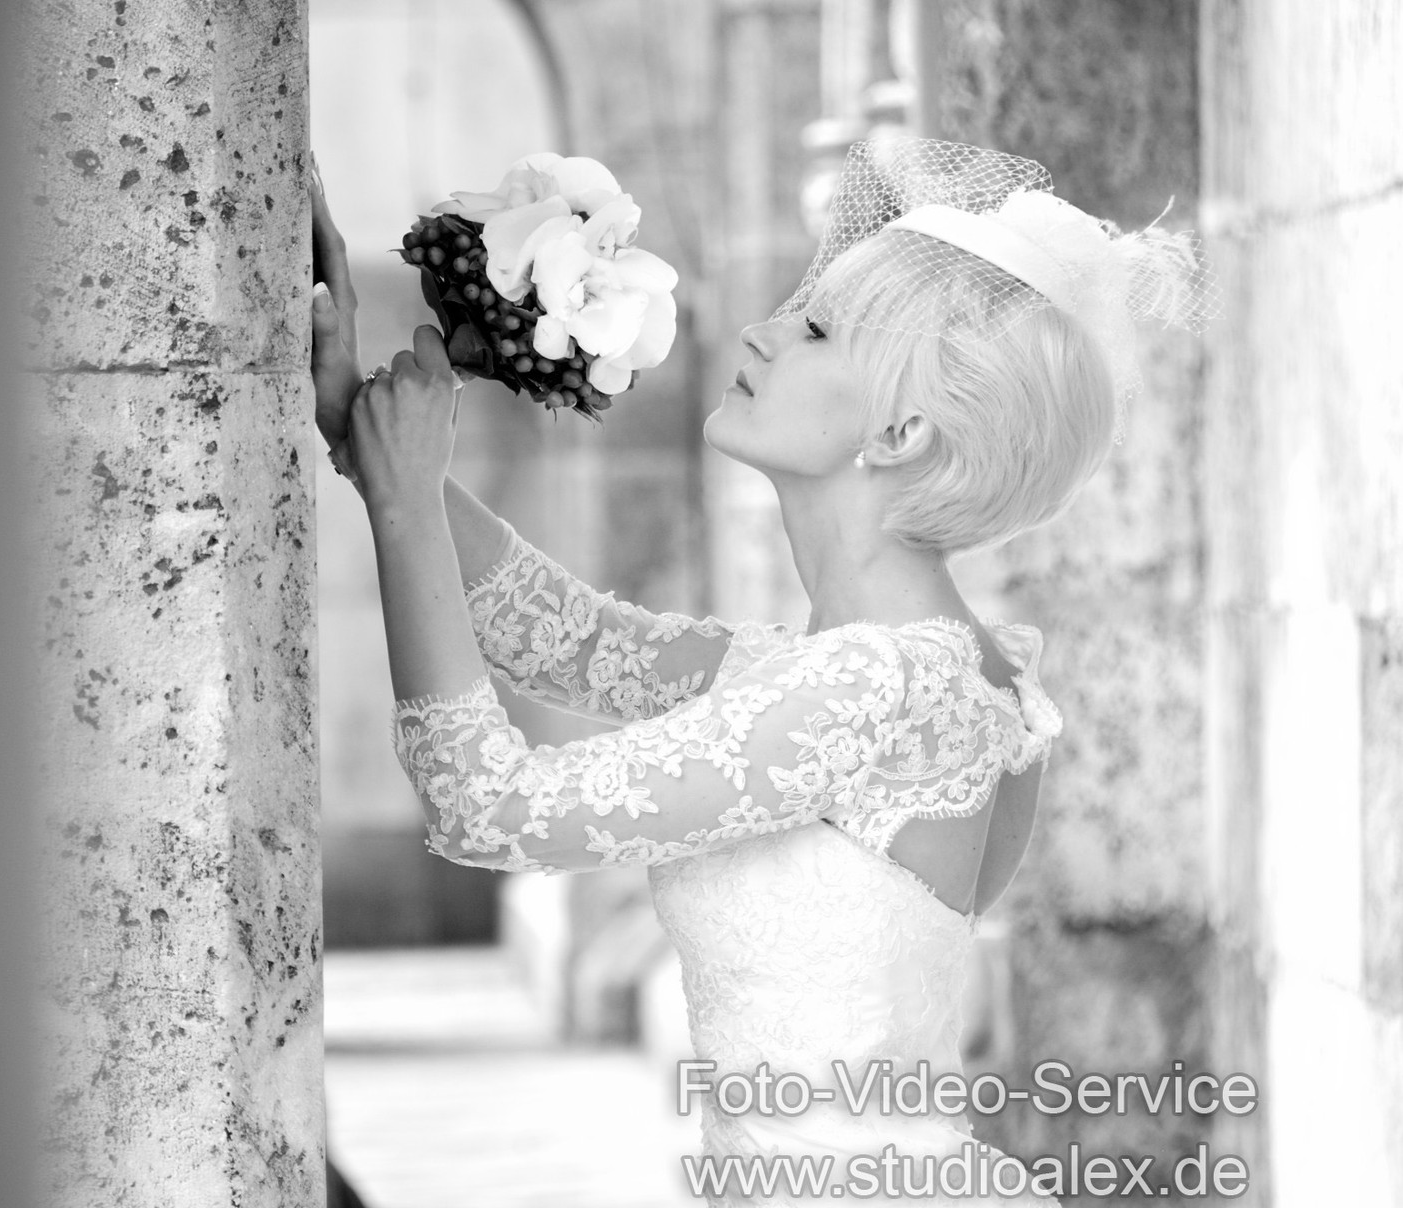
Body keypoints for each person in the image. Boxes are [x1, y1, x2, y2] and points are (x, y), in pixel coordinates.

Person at [307, 138, 1211, 1206]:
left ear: (901, 429)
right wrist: (356, 430)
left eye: (816, 328)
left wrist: (407, 503)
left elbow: (490, 807)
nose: (760, 328)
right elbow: (568, 636)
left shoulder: (880, 689)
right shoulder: (881, 672)